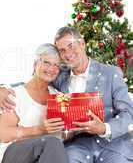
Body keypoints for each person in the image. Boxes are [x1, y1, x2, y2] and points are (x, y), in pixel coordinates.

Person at [1, 26, 133, 163]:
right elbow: (37, 81)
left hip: (112, 147)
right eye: (62, 50)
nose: (68, 53)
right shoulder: (59, 76)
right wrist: (3, 89)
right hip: (77, 148)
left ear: (82, 44)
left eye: (71, 46)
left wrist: (105, 128)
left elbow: (129, 112)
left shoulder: (110, 73)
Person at [0, 43, 69, 163]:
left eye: (56, 65)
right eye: (46, 62)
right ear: (35, 63)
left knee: (54, 144)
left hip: (47, 157)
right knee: (51, 142)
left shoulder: (59, 98)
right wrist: (39, 130)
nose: (51, 69)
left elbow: (63, 134)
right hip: (14, 156)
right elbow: (3, 134)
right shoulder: (15, 95)